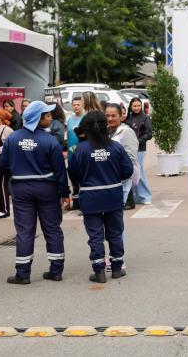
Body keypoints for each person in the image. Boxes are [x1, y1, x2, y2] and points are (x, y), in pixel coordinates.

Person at [0, 101, 71, 285]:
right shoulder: (50, 140)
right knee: (52, 229)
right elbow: (59, 170)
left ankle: (22, 274)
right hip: (47, 189)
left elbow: (3, 164)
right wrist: (65, 191)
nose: (50, 117)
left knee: (24, 231)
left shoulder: (13, 138)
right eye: (47, 115)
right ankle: (56, 271)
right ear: (38, 119)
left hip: (21, 189)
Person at [68, 111, 134, 283]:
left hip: (90, 198)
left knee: (95, 235)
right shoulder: (115, 147)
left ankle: (99, 272)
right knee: (115, 232)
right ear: (105, 126)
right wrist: (113, 176)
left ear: (86, 129)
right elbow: (128, 170)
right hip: (113, 195)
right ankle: (117, 268)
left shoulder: (81, 149)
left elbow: (73, 173)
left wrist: (84, 180)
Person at [106, 103, 139, 211]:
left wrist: (123, 171)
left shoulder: (126, 132)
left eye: (113, 116)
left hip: (123, 176)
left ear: (120, 116)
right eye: (107, 115)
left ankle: (129, 201)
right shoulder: (106, 131)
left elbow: (131, 156)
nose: (110, 118)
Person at [125, 97, 153, 205]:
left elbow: (149, 134)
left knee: (139, 173)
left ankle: (146, 197)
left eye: (138, 105)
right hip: (128, 149)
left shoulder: (145, 118)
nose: (137, 108)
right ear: (131, 107)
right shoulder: (128, 118)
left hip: (140, 149)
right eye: (134, 106)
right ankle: (136, 197)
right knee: (132, 174)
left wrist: (137, 141)